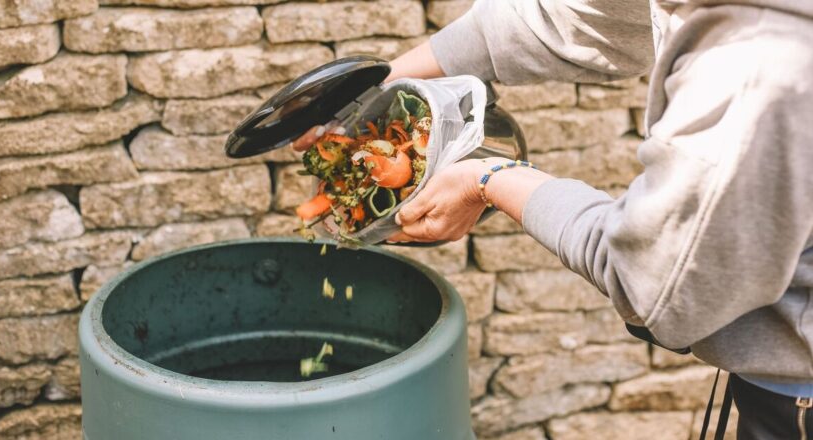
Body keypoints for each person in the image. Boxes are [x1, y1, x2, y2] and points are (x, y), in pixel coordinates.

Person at [293, 1, 813, 438]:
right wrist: (382, 87)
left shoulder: (756, 69)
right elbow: (572, 20)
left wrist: (491, 178)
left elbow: (655, 288)